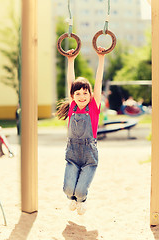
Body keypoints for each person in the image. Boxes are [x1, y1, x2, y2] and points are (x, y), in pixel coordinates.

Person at [56, 46, 105, 215]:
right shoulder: (73, 107)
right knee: (68, 190)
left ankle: (81, 200)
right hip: (72, 153)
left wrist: (101, 58)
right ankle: (72, 198)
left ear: (90, 95)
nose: (82, 96)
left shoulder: (93, 107)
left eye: (85, 93)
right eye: (78, 93)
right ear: (73, 96)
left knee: (81, 191)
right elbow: (71, 81)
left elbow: (98, 82)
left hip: (89, 155)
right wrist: (70, 60)